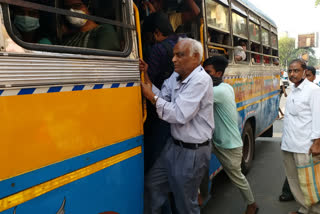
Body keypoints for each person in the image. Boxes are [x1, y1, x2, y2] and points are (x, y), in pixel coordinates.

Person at [140, 37, 214, 214]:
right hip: (172, 147)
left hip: (192, 152)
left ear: (196, 57)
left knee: (185, 204)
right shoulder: (176, 76)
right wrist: (147, 75)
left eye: (180, 55)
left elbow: (179, 114)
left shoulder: (201, 80)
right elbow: (163, 98)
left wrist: (151, 97)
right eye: (174, 55)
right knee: (152, 186)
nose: (173, 60)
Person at [203, 56, 259, 214]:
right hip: (216, 141)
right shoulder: (226, 87)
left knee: (237, 178)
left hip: (229, 145)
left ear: (218, 73)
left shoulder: (218, 91)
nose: (204, 76)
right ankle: (204, 195)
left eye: (208, 72)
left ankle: (252, 204)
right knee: (200, 166)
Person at [281, 59, 320, 214]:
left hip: (305, 146)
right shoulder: (293, 90)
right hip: (289, 145)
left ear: (304, 72)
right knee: (294, 180)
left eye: (296, 70)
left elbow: (318, 118)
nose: (292, 74)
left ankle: (316, 210)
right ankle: (304, 209)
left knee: (310, 182)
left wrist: (317, 142)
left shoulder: (313, 90)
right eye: (290, 71)